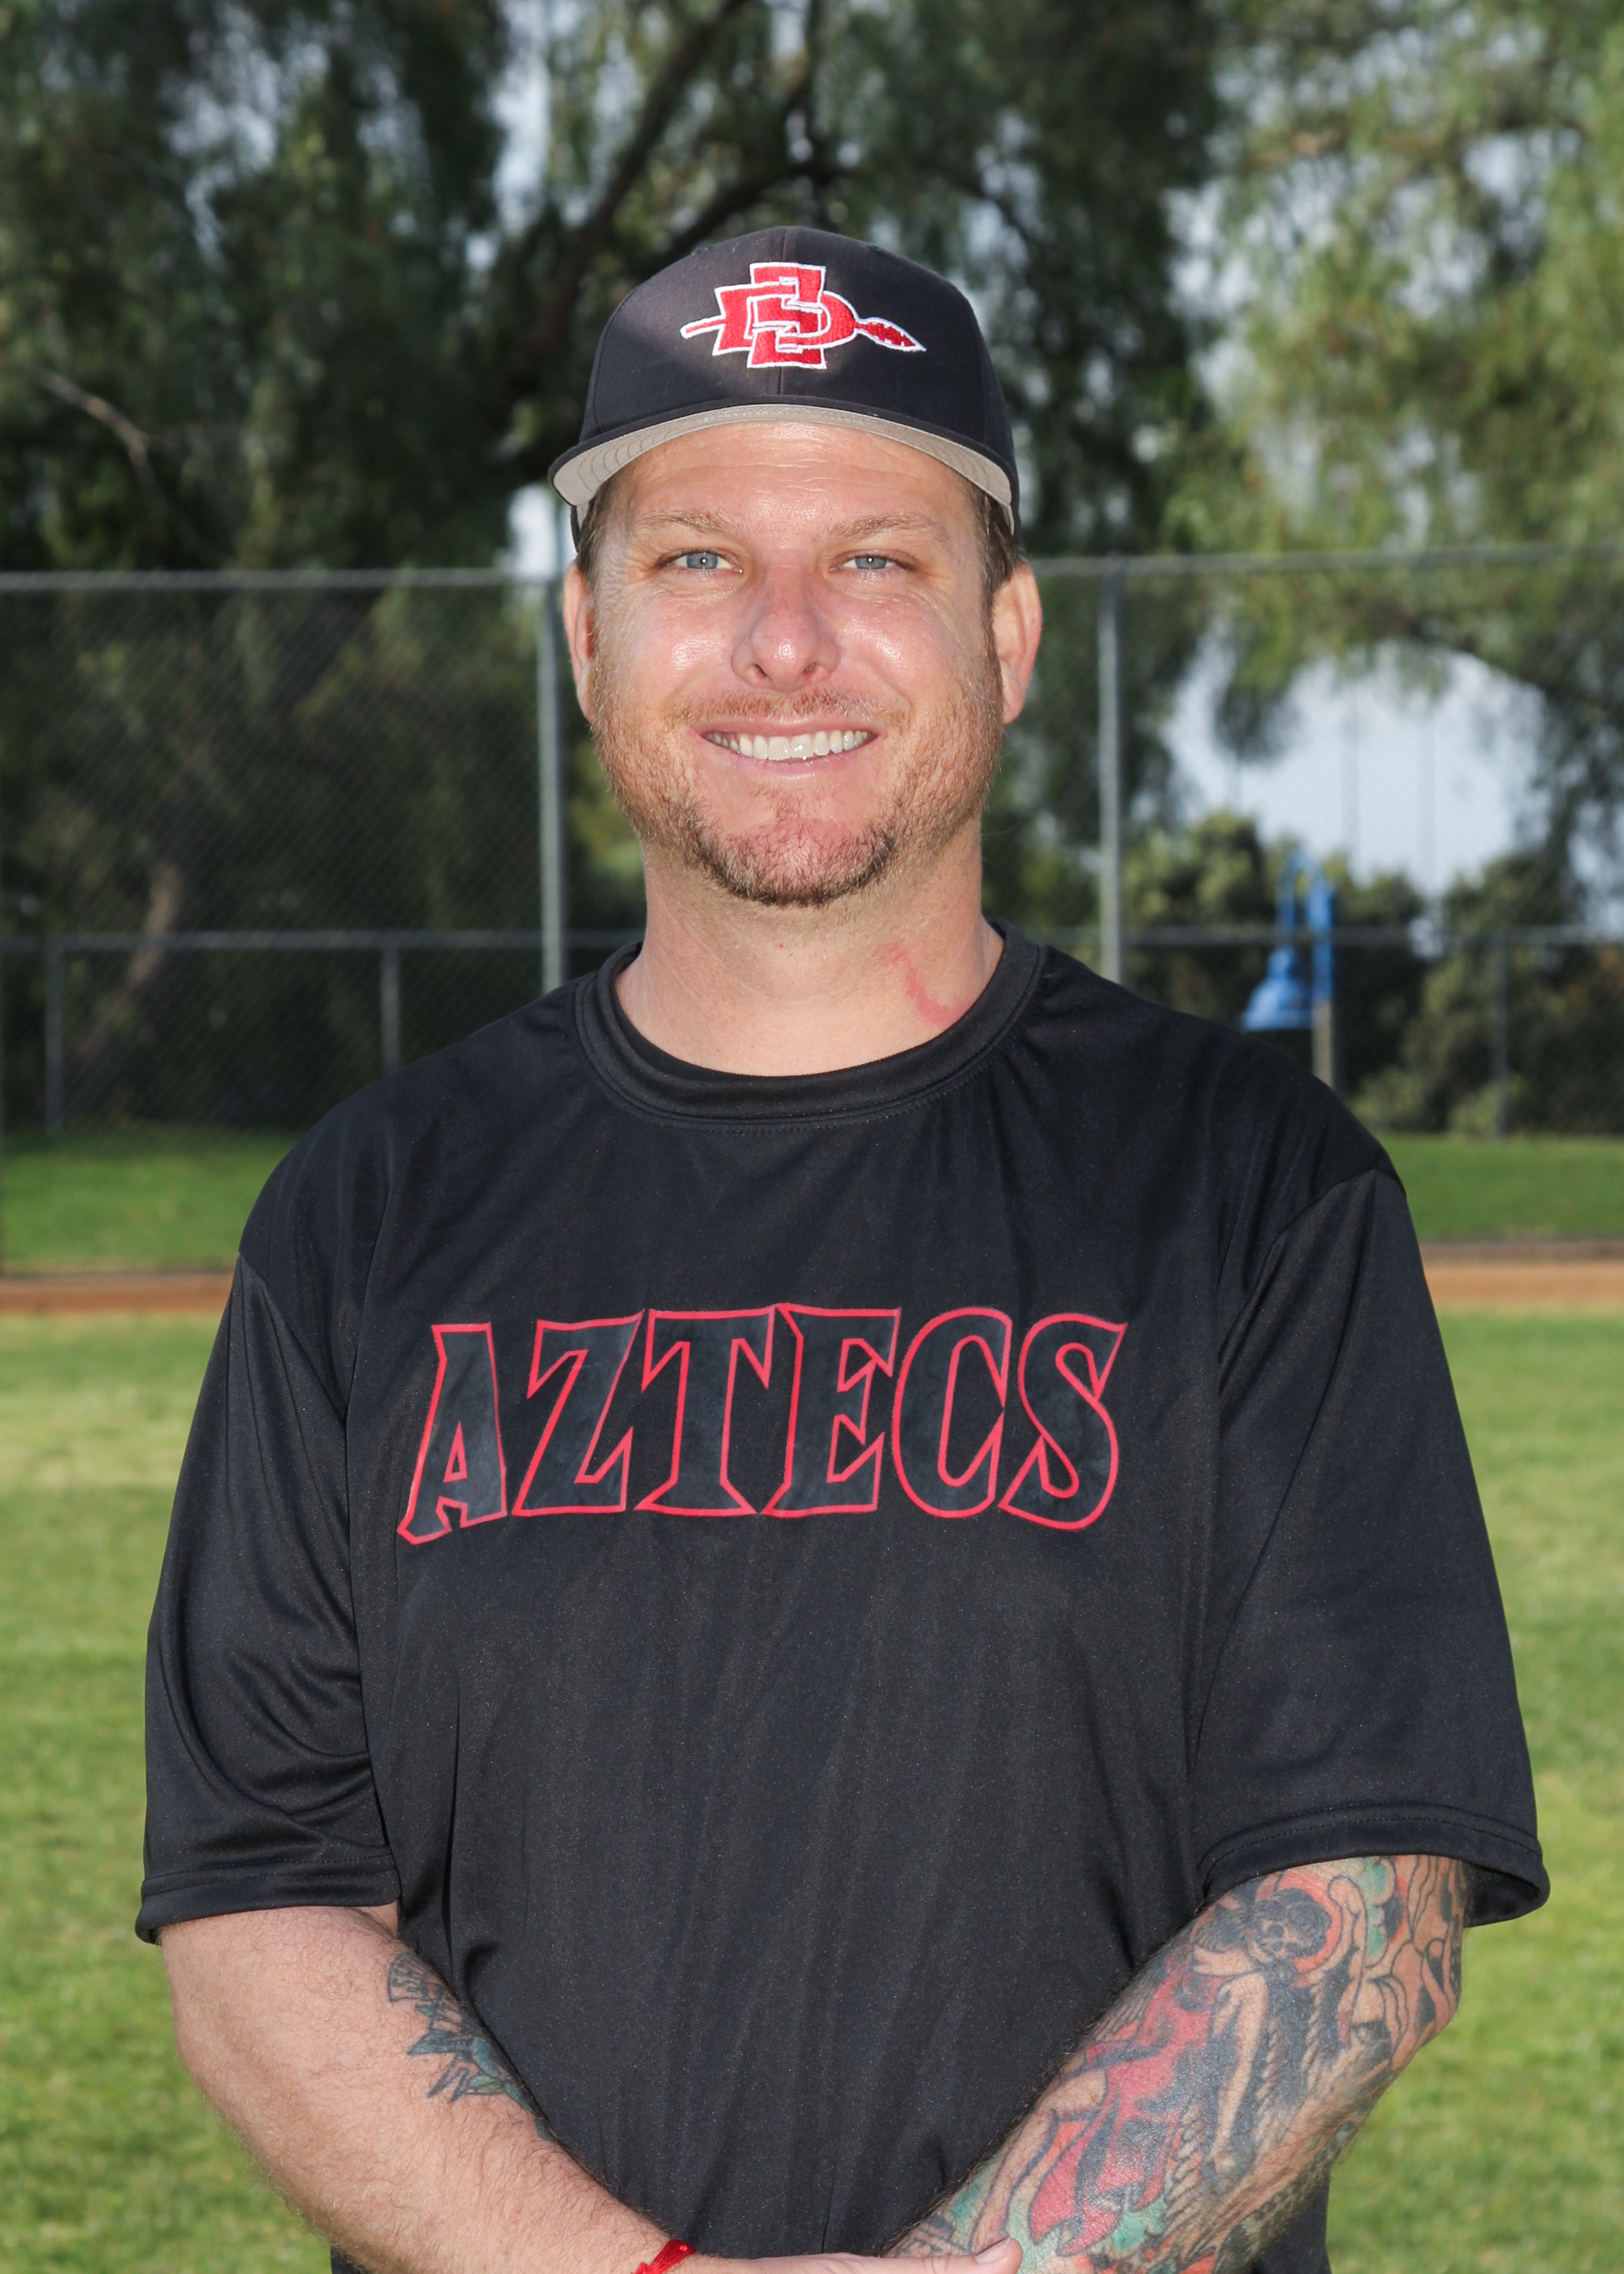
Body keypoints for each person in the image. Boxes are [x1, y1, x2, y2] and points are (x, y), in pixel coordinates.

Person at [140, 229, 1545, 2274]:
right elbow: (260, 1902)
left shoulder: (1255, 1190)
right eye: (696, 556)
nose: (784, 641)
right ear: (587, 634)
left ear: (1008, 634)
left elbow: (1361, 1904)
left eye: (876, 558)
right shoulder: (361, 1218)